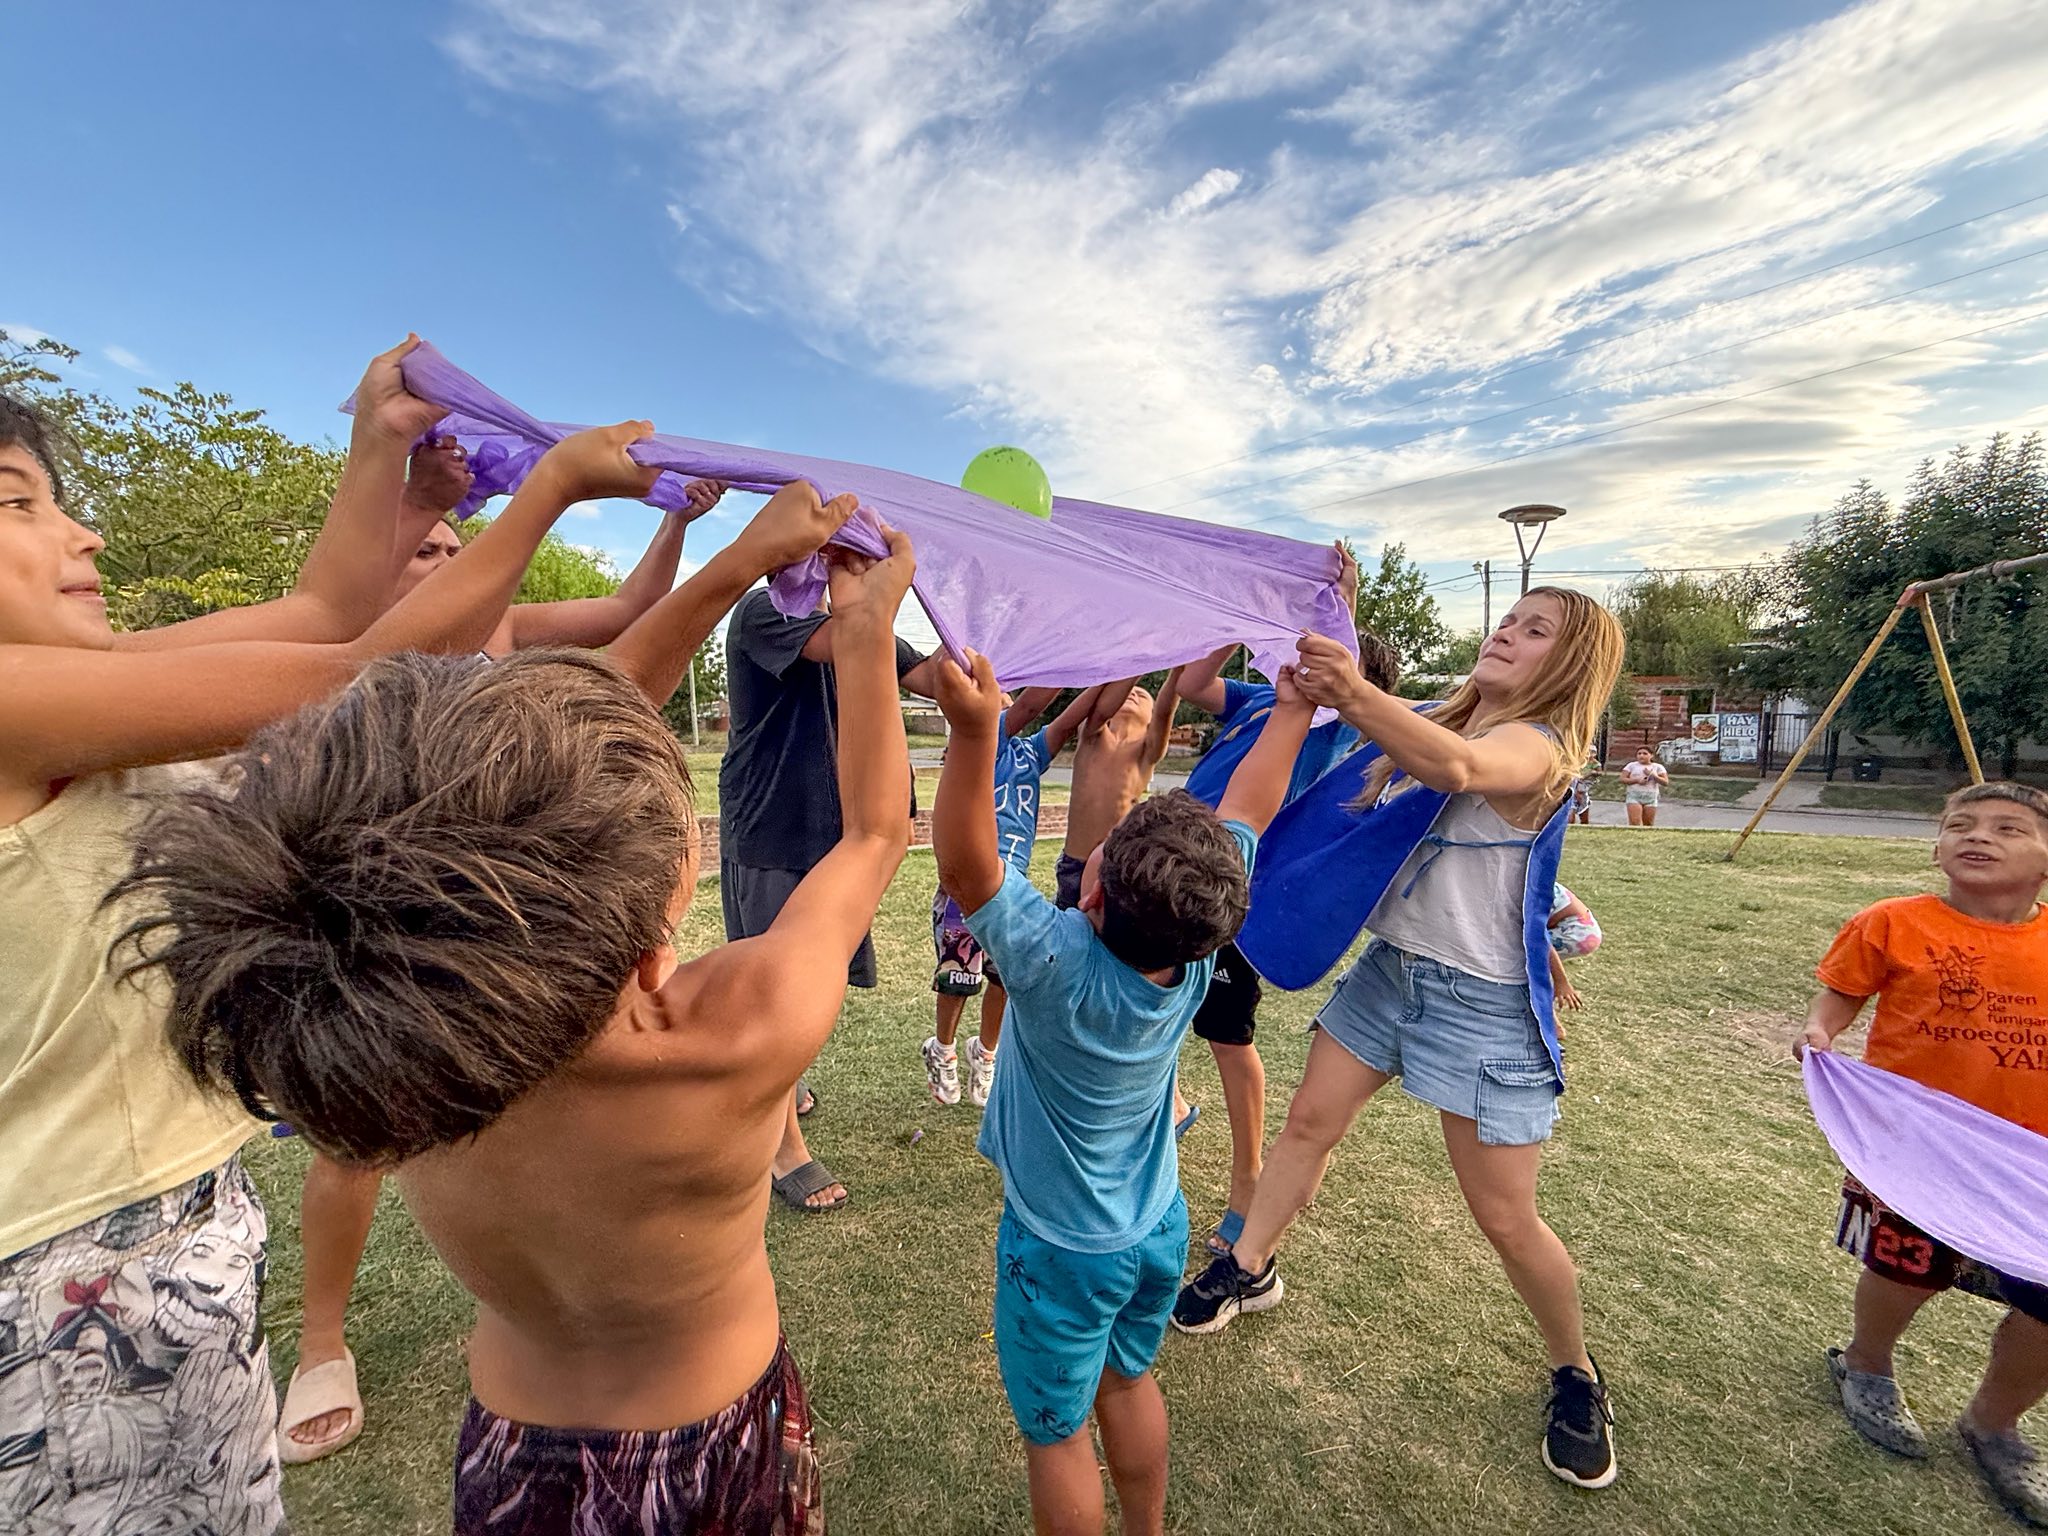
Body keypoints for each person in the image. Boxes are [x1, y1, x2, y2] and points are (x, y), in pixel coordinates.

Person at [110, 487, 896, 1534]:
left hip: (510, 1452)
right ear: (667, 923)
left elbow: (507, 795)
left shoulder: (407, 1046)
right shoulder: (731, 1037)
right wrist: (868, 629)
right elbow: (872, 834)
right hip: (724, 1443)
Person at [0, 340, 654, 1535]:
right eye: (17, 505)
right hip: (63, 1279)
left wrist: (387, 465)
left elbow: (321, 612)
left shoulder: (79, 679)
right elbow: (358, 665)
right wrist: (549, 486)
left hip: (167, 1236)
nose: (83, 536)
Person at [280, 450, 730, 1464]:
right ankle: (320, 1338)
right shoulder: (357, 668)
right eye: (422, 547)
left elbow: (630, 605)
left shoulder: (509, 633)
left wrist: (679, 523)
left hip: (514, 915)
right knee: (359, 1133)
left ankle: (552, 1302)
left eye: (454, 544)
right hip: (397, 915)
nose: (445, 557)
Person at [1172, 589, 1628, 1493]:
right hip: (1392, 972)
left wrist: (1357, 692)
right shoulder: (1434, 717)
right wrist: (1332, 608)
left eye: (1537, 630)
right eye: (1511, 620)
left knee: (1503, 1214)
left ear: (1571, 664)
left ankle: (1576, 1373)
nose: (1509, 631)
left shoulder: (1537, 746)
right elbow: (1402, 741)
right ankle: (1249, 1266)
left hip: (1484, 1003)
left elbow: (1459, 769)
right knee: (1307, 1126)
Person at [929, 641, 1309, 1536]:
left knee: (1056, 1435)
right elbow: (1251, 801)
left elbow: (965, 869)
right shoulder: (1203, 935)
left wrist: (972, 732)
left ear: (1092, 888)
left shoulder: (1054, 960)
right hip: (1156, 1229)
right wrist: (1290, 711)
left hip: (1062, 1248)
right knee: (1128, 1381)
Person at [1797, 781, 2048, 1529]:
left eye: (2009, 828)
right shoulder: (1891, 924)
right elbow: (1841, 993)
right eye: (1960, 825)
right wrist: (1821, 1033)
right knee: (1905, 1267)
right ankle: (1867, 1364)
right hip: (1917, 1151)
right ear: (1937, 848)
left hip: (2030, 1162)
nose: (1980, 836)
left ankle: (1995, 1422)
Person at [1175, 610, 1399, 1252]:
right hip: (1180, 868)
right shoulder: (1256, 700)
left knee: (1224, 1033)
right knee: (1153, 995)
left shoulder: (1328, 725)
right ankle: (1173, 1108)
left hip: (1237, 883)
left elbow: (1356, 699)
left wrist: (1346, 608)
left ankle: (1247, 1179)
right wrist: (1228, 612)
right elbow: (1193, 681)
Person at [720, 573, 941, 1213]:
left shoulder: (860, 623)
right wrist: (879, 587)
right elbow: (852, 641)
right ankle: (782, 1149)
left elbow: (929, 678)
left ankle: (784, 1090)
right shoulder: (766, 611)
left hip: (835, 832)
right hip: (771, 828)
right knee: (774, 994)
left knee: (814, 979)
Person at [923, 684, 1075, 1108]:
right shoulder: (986, 740)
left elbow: (1067, 721)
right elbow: (1032, 704)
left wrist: (1106, 671)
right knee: (958, 976)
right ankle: (943, 1049)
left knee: (1004, 977)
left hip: (1012, 885)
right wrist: (1068, 655)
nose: (1003, 698)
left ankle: (985, 1054)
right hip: (968, 882)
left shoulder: (1029, 752)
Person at [1546, 883, 1603, 1013]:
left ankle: (1550, 1020)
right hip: (1586, 930)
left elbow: (1540, 941)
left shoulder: (1526, 888)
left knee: (1529, 959)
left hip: (1577, 933)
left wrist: (1561, 982)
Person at [1620, 748, 1668, 827]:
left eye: (1645, 754)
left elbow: (1665, 782)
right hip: (1634, 796)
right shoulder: (1631, 766)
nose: (1641, 756)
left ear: (1651, 755)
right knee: (1635, 822)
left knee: (1648, 823)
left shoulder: (1657, 767)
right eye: (1639, 753)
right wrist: (1637, 780)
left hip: (1651, 797)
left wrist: (1653, 775)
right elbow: (1623, 779)